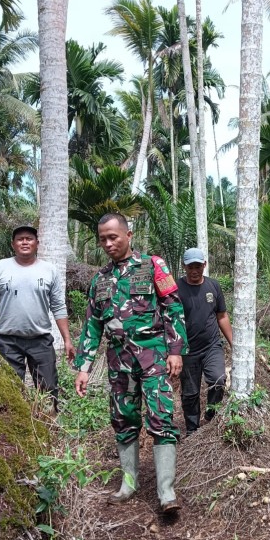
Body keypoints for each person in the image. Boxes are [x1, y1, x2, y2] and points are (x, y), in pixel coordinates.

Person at [73, 213, 188, 513]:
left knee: (161, 416)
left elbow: (172, 307)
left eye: (113, 237)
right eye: (103, 239)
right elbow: (92, 326)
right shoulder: (100, 279)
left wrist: (175, 350)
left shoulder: (153, 265)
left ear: (128, 235)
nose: (108, 243)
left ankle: (166, 491)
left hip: (153, 356)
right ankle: (128, 484)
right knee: (123, 420)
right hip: (118, 361)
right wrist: (84, 368)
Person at [0, 225, 75, 411]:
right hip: (8, 342)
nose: (24, 242)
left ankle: (48, 422)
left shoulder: (49, 270)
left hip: (41, 341)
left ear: (37, 243)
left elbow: (58, 307)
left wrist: (67, 340)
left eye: (29, 239)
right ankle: (11, 423)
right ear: (13, 244)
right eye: (20, 239)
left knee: (48, 390)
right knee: (8, 389)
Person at [176, 248, 233, 434]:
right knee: (190, 393)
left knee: (218, 379)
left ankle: (211, 414)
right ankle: (192, 430)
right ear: (184, 266)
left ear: (204, 265)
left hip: (212, 346)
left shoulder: (213, 286)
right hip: (187, 350)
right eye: (190, 267)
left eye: (198, 266)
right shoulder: (176, 288)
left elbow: (222, 316)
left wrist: (234, 343)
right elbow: (169, 319)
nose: (194, 271)